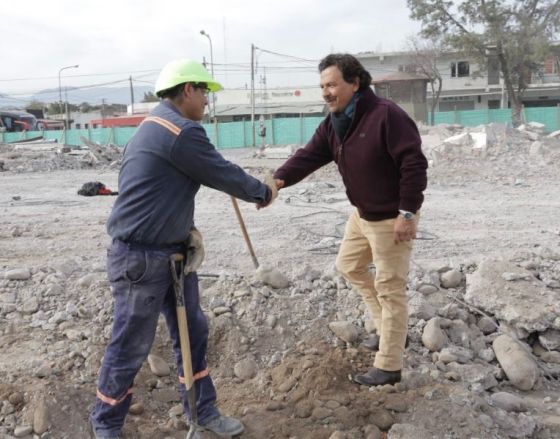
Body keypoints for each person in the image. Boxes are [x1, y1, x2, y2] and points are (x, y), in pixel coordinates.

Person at [90, 59, 277, 439]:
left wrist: (183, 229)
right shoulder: (180, 131)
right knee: (130, 344)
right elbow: (222, 173)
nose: (208, 100)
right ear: (187, 90)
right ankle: (105, 424)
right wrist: (264, 190)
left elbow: (156, 191)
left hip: (170, 254)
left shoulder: (152, 127)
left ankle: (202, 410)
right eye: (204, 91)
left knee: (193, 332)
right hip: (141, 259)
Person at [273, 53, 428, 386]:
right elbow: (310, 155)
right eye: (322, 86)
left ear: (355, 82)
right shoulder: (336, 121)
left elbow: (414, 164)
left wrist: (408, 213)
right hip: (362, 215)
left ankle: (389, 364)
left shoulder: (386, 116)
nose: (326, 92)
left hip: (391, 218)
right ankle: (389, 331)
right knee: (349, 266)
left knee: (390, 289)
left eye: (332, 84)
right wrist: (278, 180)